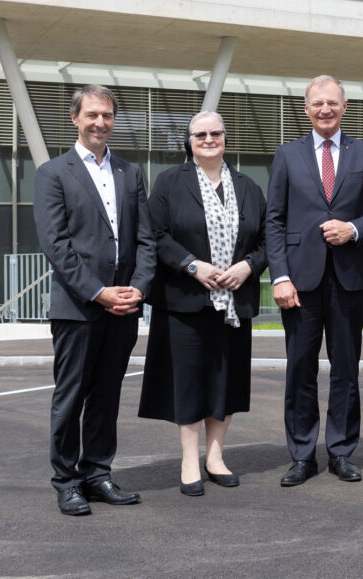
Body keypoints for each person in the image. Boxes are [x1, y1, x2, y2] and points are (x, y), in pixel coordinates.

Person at [34, 84, 156, 515]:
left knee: (106, 395)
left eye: (106, 115)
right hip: (79, 307)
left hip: (123, 306)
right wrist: (99, 292)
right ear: (75, 119)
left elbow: (145, 239)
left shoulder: (130, 172)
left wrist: (138, 288)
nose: (100, 122)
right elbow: (56, 246)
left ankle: (98, 473)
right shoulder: (53, 173)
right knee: (71, 396)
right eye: (92, 115)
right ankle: (66, 481)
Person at [265, 74, 363, 486]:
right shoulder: (286, 155)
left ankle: (340, 451)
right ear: (306, 108)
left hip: (348, 278)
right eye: (317, 103)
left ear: (344, 105)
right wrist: (279, 276)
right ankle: (302, 455)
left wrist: (353, 229)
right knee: (300, 369)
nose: (325, 109)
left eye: (332, 103)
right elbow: (275, 221)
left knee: (345, 369)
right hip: (299, 281)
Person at [138, 111, 267, 496]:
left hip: (234, 302)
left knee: (224, 381)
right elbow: (155, 234)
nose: (208, 139)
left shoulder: (248, 186)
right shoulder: (168, 183)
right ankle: (189, 460)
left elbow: (265, 241)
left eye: (215, 133)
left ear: (225, 138)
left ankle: (215, 456)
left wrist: (247, 267)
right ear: (189, 141)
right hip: (186, 299)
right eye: (200, 134)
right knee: (189, 381)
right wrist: (192, 265)